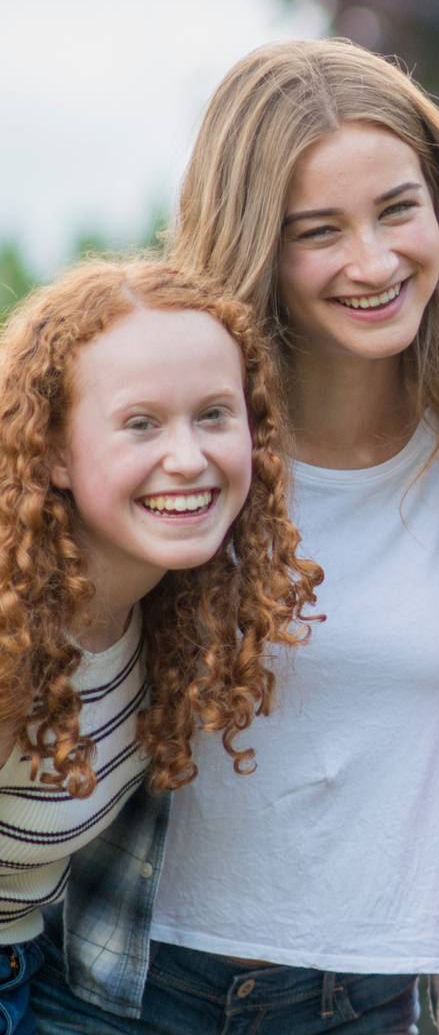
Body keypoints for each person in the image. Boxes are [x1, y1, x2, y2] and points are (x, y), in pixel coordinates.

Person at [33, 40, 439, 1035]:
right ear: (256, 239)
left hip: (382, 1004)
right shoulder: (185, 458)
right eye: (317, 231)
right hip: (135, 987)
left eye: (396, 210)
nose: (374, 263)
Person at [0, 260, 317, 1035]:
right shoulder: (15, 633)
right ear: (53, 454)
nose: (187, 456)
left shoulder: (167, 609)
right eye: (141, 423)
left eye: (214, 414)